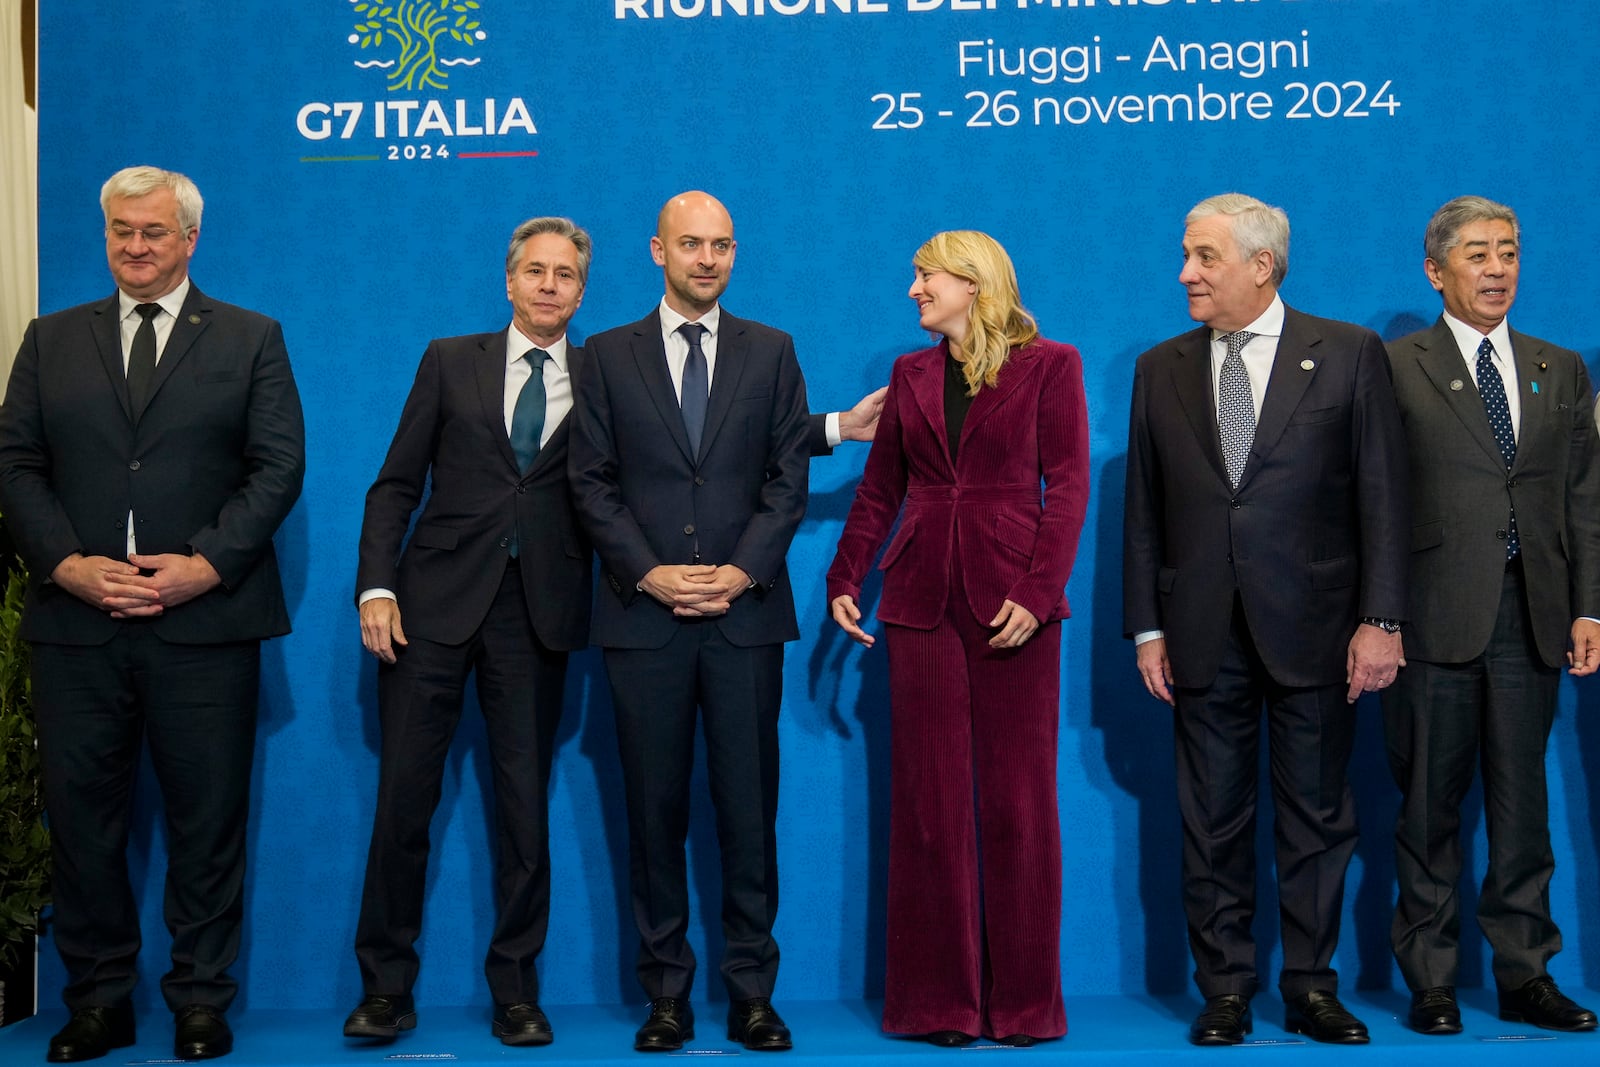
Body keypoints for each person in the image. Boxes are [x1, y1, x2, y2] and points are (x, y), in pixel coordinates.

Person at [0, 166, 305, 1061]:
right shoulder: (51, 339)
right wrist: (66, 564)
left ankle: (200, 999)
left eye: (153, 232)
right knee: (83, 821)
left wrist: (203, 566)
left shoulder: (251, 338)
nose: (135, 246)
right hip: (77, 623)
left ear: (190, 239)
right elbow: (15, 464)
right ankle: (96, 999)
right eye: (120, 231)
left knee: (207, 824)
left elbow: (278, 468)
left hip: (204, 626)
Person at [1121, 193, 1407, 1046]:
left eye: (1204, 257)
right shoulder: (1160, 365)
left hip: (1319, 628)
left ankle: (1314, 987)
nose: (1185, 273)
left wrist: (1382, 618)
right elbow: (1144, 509)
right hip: (1201, 628)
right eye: (1185, 254)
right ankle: (1227, 989)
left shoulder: (1349, 354)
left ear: (1261, 266)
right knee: (1211, 820)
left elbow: (1384, 498)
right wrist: (1147, 626)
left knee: (1318, 816)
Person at [825, 231, 1089, 1047]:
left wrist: (1039, 594)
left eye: (924, 275)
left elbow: (1070, 483)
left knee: (1018, 804)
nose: (913, 290)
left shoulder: (1053, 364)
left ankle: (1023, 1008)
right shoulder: (909, 374)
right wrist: (844, 578)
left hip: (1016, 601)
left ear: (972, 283)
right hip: (919, 601)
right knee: (931, 807)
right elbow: (880, 491)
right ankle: (938, 1004)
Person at [342, 217, 596, 1048]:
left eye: (565, 274)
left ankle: (517, 993)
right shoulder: (451, 359)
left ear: (582, 290)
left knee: (524, 816)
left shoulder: (605, 377)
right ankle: (385, 990)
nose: (549, 285)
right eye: (535, 270)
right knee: (402, 806)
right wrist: (376, 584)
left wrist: (827, 428)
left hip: (539, 618)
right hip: (430, 612)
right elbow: (393, 485)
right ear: (509, 281)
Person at [568, 191, 809, 1053]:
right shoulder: (603, 354)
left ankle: (753, 994)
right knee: (653, 810)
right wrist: (649, 571)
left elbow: (787, 480)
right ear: (657, 251)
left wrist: (743, 571)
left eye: (722, 246)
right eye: (691, 245)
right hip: (645, 621)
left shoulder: (773, 350)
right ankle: (664, 993)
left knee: (750, 813)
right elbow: (588, 480)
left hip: (745, 621)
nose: (707, 259)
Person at [1383, 196, 1600, 1035]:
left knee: (1523, 807)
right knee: (1429, 804)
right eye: (1477, 254)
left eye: (1508, 251)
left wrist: (1590, 607)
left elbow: (1584, 500)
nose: (1497, 268)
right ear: (1436, 271)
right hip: (1432, 614)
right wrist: (1379, 615)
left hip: (1533, 614)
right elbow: (1373, 499)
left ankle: (1526, 974)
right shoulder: (1396, 364)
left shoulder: (1559, 367)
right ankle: (1431, 978)